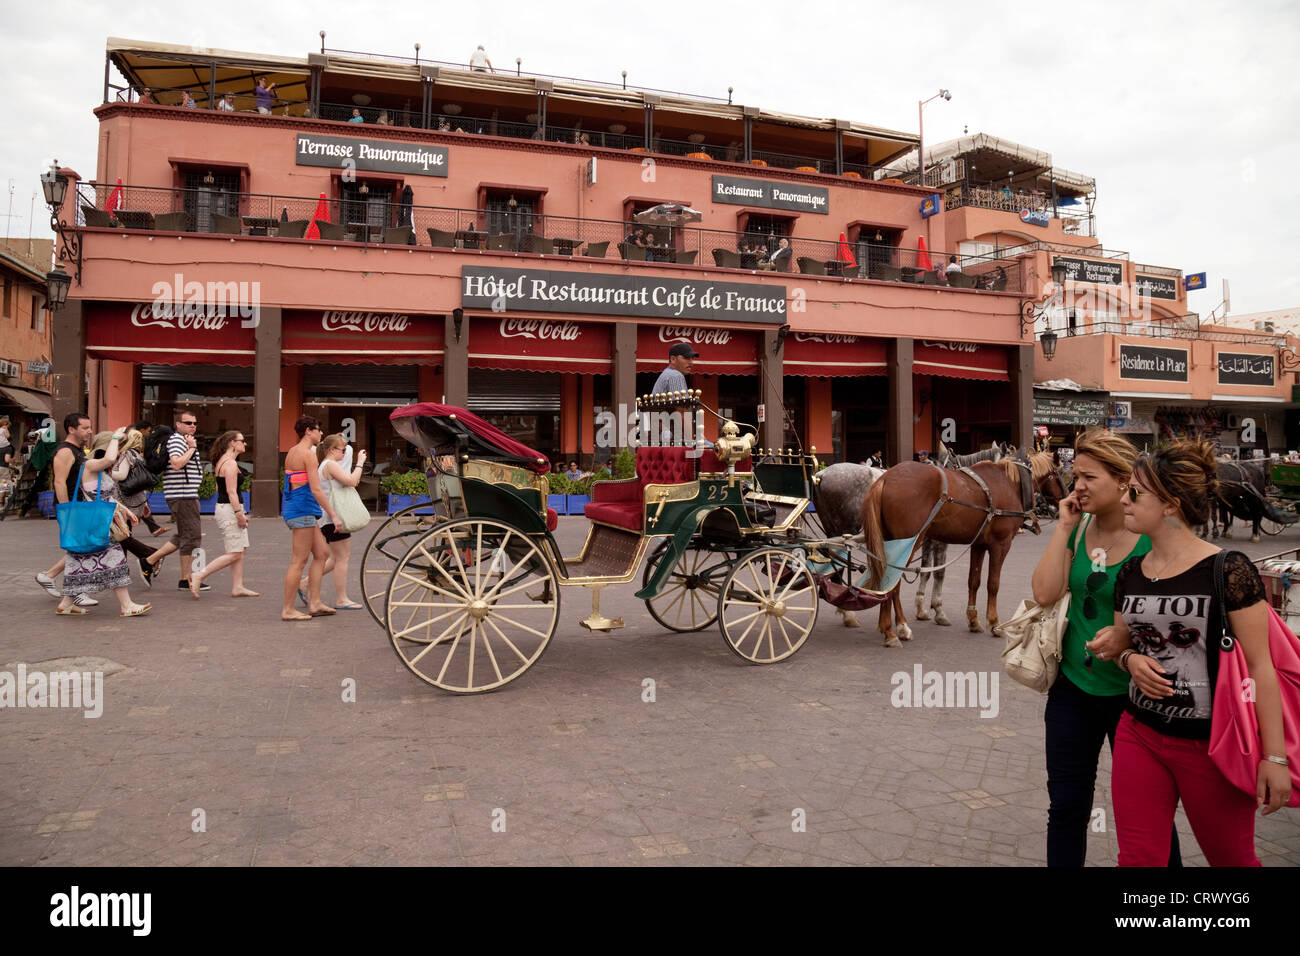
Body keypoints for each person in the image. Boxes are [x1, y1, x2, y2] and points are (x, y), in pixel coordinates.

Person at [1106, 440, 1289, 865]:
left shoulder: (1229, 570)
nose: (1123, 499)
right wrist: (1129, 661)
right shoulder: (1130, 573)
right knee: (1138, 859)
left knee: (1231, 858)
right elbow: (1122, 644)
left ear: (1169, 505)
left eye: (1134, 492)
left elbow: (1262, 668)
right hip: (1139, 734)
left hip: (1214, 745)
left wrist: (1274, 757)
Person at [1029, 428, 1183, 867]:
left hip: (1135, 699)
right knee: (1066, 810)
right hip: (1073, 691)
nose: (1076, 486)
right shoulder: (1079, 531)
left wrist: (1129, 641)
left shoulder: (1151, 539)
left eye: (1088, 477)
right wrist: (1064, 527)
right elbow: (1044, 593)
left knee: (1147, 815)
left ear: (1122, 482)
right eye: (1075, 475)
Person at [50, 414, 150, 617]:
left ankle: (66, 602)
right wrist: (115, 437)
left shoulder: (94, 467)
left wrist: (126, 511)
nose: (89, 431)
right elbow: (62, 482)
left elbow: (103, 496)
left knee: (78, 561)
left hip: (94, 519)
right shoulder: (86, 463)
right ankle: (126, 605)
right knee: (114, 559)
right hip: (91, 520)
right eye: (85, 428)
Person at [282, 416, 338, 621]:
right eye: (318, 429)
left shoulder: (292, 452)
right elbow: (315, 489)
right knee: (298, 561)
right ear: (308, 431)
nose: (321, 433)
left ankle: (315, 602)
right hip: (302, 509)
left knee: (322, 553)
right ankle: (288, 609)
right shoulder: (308, 455)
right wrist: (332, 514)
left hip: (299, 508)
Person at [188, 431, 257, 599]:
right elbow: (231, 492)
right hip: (230, 509)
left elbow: (222, 490)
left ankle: (238, 586)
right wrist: (239, 514)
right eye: (242, 441)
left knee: (240, 549)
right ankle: (199, 575)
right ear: (232, 443)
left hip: (227, 508)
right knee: (235, 552)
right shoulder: (230, 464)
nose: (245, 444)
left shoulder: (223, 462)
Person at [146, 410, 207, 592]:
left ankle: (149, 560)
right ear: (178, 424)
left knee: (184, 535)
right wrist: (192, 448)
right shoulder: (177, 440)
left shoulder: (183, 440)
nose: (193, 426)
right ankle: (187, 579)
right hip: (182, 495)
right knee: (192, 537)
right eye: (188, 423)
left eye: (195, 423)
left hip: (185, 494)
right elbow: (176, 463)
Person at [308, 434, 367, 610]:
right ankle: (341, 599)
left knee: (336, 558)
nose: (344, 453)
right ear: (332, 450)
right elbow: (352, 481)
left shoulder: (324, 465)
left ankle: (306, 583)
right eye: (342, 449)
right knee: (342, 558)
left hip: (328, 517)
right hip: (334, 516)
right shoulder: (330, 464)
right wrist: (360, 462)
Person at [109, 430, 163, 588]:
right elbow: (141, 481)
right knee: (123, 535)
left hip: (125, 501)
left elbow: (121, 475)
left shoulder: (127, 454)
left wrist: (107, 469)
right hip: (136, 500)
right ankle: (122, 570)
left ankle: (150, 554)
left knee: (122, 536)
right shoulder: (140, 456)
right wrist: (144, 504)